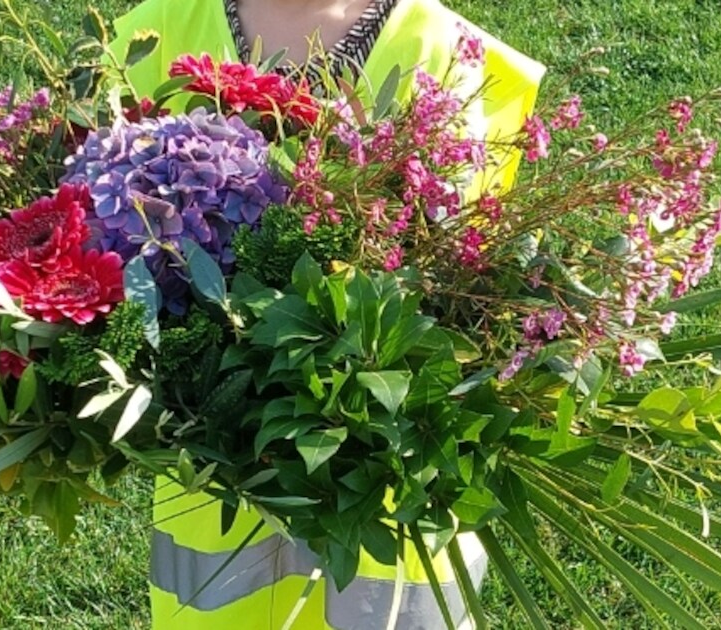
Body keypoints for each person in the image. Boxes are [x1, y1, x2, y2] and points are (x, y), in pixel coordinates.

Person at [106, 1, 546, 627]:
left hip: (386, 516)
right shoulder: (151, 38)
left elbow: (470, 298)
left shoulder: (460, 64)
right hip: (212, 494)